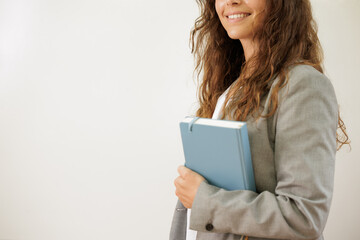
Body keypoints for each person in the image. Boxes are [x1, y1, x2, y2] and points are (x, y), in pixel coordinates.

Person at [170, 0, 350, 240]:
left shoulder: (303, 85)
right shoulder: (231, 87)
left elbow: (305, 216)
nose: (231, 1)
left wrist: (204, 199)